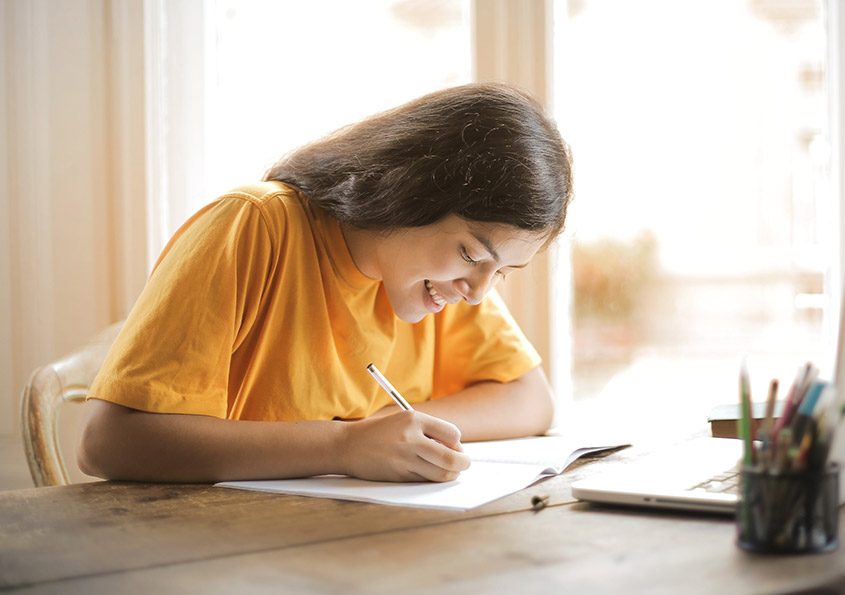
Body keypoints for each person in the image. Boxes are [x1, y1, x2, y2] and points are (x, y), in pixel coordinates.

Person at [77, 82, 573, 485]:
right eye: (471, 254)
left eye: (501, 272)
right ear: (408, 192)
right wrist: (343, 446)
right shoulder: (255, 226)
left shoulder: (444, 282)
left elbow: (531, 399)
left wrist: (393, 429)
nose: (479, 292)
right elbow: (107, 442)